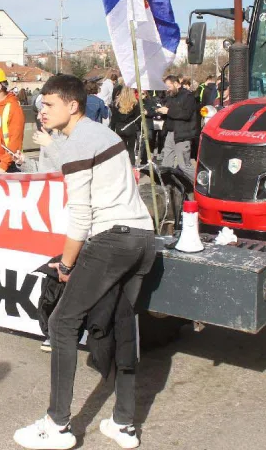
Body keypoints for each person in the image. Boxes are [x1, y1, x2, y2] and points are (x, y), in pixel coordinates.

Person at [13, 74, 154, 450]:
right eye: (40, 104)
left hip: (112, 240)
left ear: (72, 105)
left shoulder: (80, 143)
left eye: (49, 105)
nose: (41, 111)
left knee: (61, 323)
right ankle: (123, 424)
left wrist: (67, 265)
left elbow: (80, 214)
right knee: (123, 326)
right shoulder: (103, 133)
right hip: (143, 238)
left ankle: (56, 425)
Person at [156, 75, 199, 177]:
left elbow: (186, 114)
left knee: (184, 165)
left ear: (176, 84)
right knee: (166, 163)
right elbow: (168, 111)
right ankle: (168, 186)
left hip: (183, 134)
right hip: (170, 133)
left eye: (169, 86)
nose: (168, 89)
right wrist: (160, 111)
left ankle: (200, 185)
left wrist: (169, 111)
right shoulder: (170, 96)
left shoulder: (188, 96)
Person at [110, 87, 141, 164]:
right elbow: (138, 118)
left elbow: (113, 118)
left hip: (119, 127)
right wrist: (139, 129)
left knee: (121, 150)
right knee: (131, 150)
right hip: (130, 127)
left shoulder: (116, 103)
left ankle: (121, 166)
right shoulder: (135, 103)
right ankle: (132, 167)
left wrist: (112, 129)